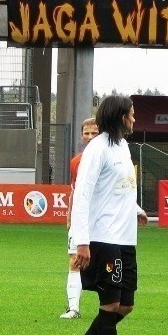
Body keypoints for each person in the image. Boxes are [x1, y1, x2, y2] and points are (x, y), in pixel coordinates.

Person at [56, 95, 147, 335]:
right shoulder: (98, 148)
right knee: (110, 305)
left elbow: (119, 189)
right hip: (104, 237)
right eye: (132, 114)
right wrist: (82, 241)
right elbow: (83, 194)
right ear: (121, 116)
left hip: (125, 237)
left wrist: (136, 210)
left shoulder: (123, 146)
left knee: (126, 306)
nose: (135, 118)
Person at [60, 117, 98, 320]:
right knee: (75, 260)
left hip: (102, 219)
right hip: (80, 219)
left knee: (105, 262)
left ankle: (111, 307)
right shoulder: (76, 162)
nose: (90, 137)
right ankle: (73, 308)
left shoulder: (110, 158)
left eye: (94, 133)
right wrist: (69, 216)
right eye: (87, 133)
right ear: (82, 135)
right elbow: (74, 191)